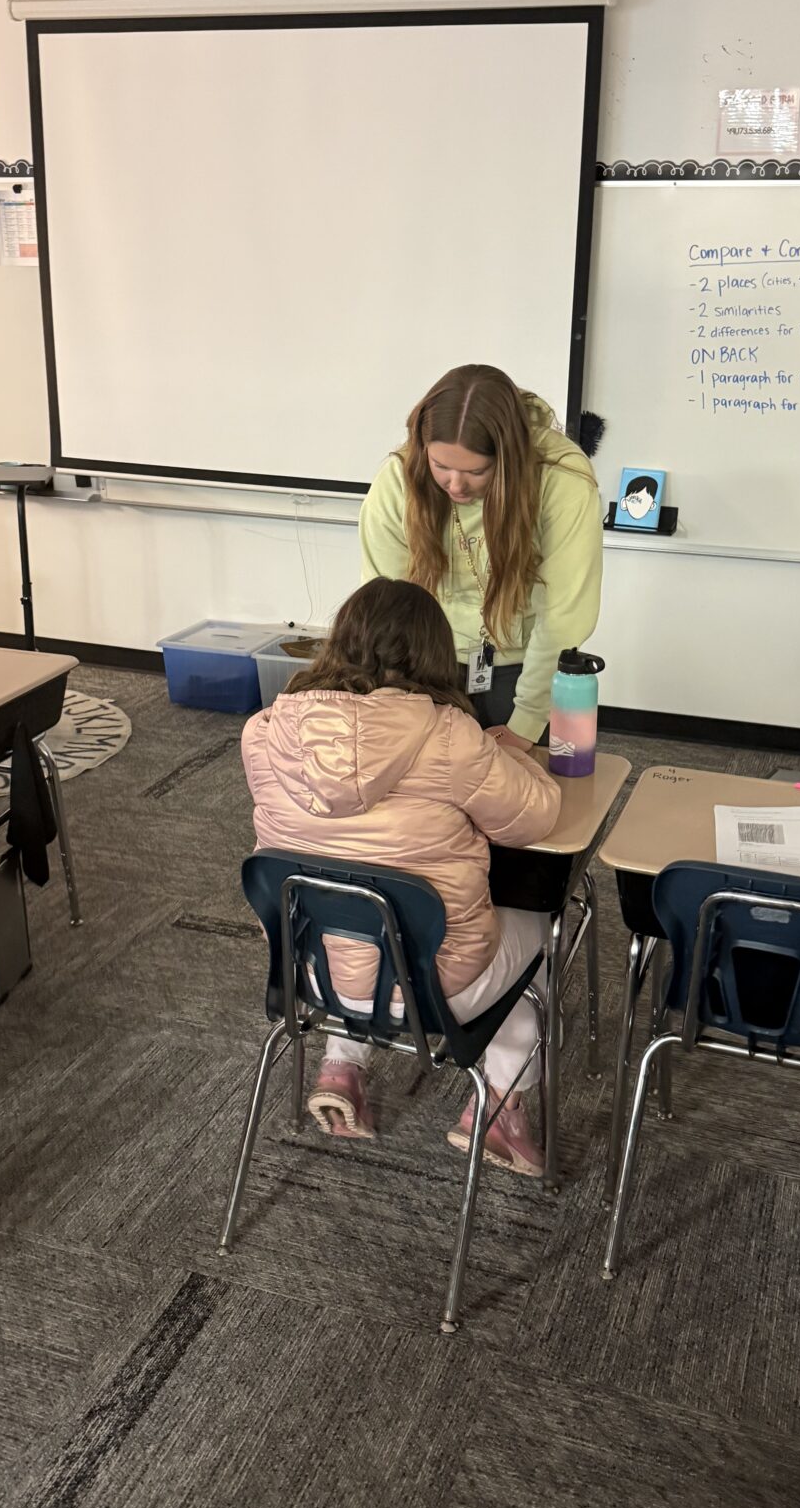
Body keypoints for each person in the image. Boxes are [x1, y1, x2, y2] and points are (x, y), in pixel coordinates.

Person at [241, 577, 561, 1174]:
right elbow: (535, 817)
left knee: (360, 920)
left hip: (311, 971)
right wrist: (512, 758)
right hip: (442, 988)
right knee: (536, 927)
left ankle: (341, 1066)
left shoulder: (263, 732)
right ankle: (499, 1108)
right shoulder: (450, 736)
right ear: (437, 655)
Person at [359, 364, 602, 749]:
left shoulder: (562, 478)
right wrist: (392, 697)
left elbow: (562, 615)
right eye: (441, 466)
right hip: (426, 662)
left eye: (476, 471)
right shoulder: (398, 477)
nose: (455, 485)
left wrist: (526, 721)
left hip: (524, 667)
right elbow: (385, 604)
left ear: (508, 459)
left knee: (529, 793)